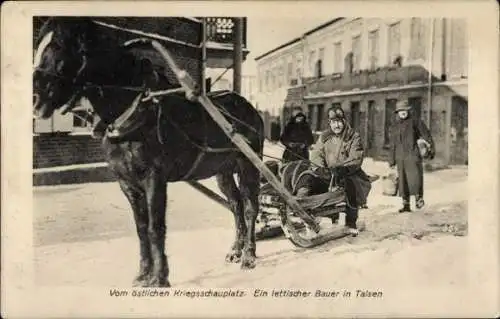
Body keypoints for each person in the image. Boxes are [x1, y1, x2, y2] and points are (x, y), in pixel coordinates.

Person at [302, 106, 372, 235]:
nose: (337, 125)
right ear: (330, 123)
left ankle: (351, 221)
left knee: (351, 187)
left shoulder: (352, 136)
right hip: (329, 173)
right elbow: (317, 154)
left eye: (339, 122)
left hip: (349, 172)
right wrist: (320, 169)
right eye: (333, 122)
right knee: (311, 180)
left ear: (344, 122)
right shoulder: (325, 137)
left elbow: (356, 157)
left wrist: (342, 169)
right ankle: (307, 211)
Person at [388, 100, 435, 213]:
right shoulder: (395, 126)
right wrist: (391, 160)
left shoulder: (416, 122)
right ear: (397, 113)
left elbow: (426, 135)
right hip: (400, 157)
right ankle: (406, 204)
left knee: (415, 178)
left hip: (413, 155)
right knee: (403, 181)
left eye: (404, 110)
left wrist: (430, 149)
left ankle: (419, 199)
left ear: (408, 110)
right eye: (400, 111)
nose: (402, 112)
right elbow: (392, 144)